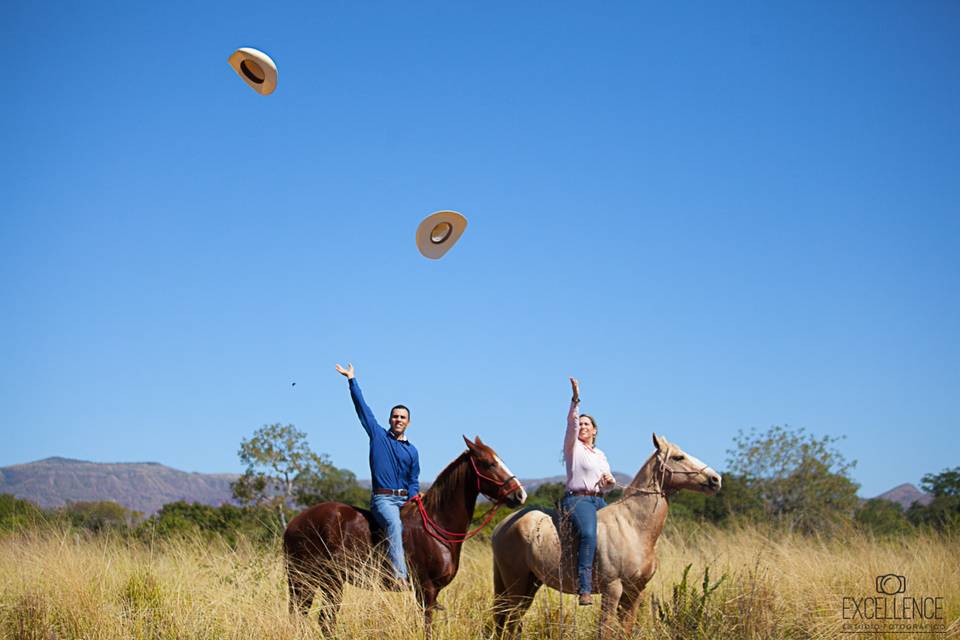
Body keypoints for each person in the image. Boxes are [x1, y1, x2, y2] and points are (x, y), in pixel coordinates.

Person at [336, 362, 420, 588]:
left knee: (422, 527)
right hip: (383, 500)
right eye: (395, 416)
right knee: (394, 524)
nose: (398, 420)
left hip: (406, 500)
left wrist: (415, 498)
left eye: (402, 417)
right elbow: (362, 408)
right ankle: (399, 576)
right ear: (389, 419)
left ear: (408, 422)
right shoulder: (378, 436)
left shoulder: (412, 451)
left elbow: (413, 481)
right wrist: (351, 380)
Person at [562, 377, 616, 606]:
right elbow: (571, 423)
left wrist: (609, 481)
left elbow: (608, 485)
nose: (582, 427)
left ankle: (612, 579)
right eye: (581, 424)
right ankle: (584, 588)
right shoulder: (573, 447)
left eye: (587, 425)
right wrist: (576, 399)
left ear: (594, 431)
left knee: (617, 535)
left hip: (599, 500)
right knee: (588, 534)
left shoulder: (600, 454)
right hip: (577, 500)